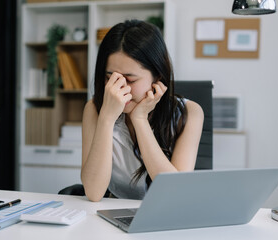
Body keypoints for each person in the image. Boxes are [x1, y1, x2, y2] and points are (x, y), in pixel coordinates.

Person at [81, 19, 204, 202]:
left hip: (166, 212)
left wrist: (140, 120)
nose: (119, 89)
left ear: (158, 75)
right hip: (115, 209)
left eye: (130, 80)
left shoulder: (190, 113)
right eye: (111, 78)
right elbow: (93, 192)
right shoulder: (94, 109)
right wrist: (106, 118)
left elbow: (176, 192)